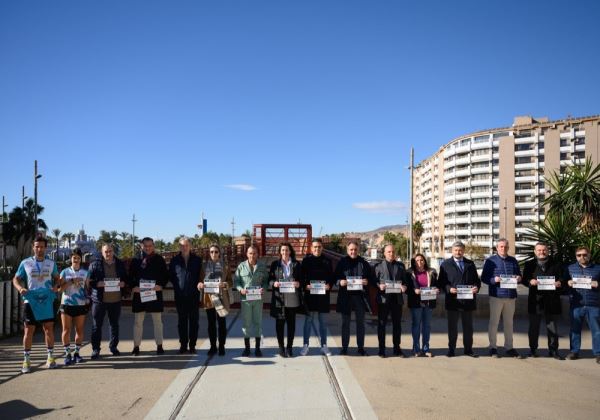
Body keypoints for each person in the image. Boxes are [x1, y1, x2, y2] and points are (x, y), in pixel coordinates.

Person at [12, 236, 60, 373]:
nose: (39, 249)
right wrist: (20, 288)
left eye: (42, 247)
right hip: (31, 301)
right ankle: (26, 360)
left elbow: (58, 279)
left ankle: (50, 358)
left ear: (46, 248)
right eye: (37, 246)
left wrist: (56, 286)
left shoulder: (51, 263)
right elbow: (15, 279)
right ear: (33, 247)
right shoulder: (25, 263)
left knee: (48, 329)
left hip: (47, 300)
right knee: (28, 330)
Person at [522, 242, 565, 359]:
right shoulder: (529, 264)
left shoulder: (556, 264)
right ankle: (533, 349)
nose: (542, 252)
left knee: (552, 327)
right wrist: (530, 282)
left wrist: (560, 282)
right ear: (535, 252)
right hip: (535, 301)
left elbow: (563, 278)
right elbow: (524, 279)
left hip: (552, 300)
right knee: (533, 327)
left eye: (544, 250)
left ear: (548, 251)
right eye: (539, 250)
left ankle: (553, 350)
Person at [438, 241, 481, 358]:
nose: (458, 252)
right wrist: (448, 289)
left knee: (468, 328)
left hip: (468, 301)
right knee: (452, 328)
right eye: (456, 250)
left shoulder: (470, 264)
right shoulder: (445, 265)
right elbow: (441, 282)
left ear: (464, 250)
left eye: (460, 250)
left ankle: (468, 349)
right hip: (453, 302)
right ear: (452, 251)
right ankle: (451, 349)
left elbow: (477, 281)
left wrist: (476, 287)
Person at [481, 238, 523, 358]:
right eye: (501, 246)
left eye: (505, 246)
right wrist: (494, 280)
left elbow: (519, 275)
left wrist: (519, 278)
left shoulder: (513, 260)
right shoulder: (490, 261)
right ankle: (493, 347)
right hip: (496, 296)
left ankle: (509, 347)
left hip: (510, 296)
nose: (503, 248)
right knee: (494, 322)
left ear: (508, 247)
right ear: (497, 248)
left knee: (509, 323)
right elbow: (484, 278)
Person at [129, 237, 169, 355]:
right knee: (138, 322)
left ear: (153, 246)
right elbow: (130, 276)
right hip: (139, 295)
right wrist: (133, 287)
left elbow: (165, 276)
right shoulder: (136, 260)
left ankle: (160, 345)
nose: (148, 248)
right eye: (145, 246)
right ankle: (136, 346)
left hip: (154, 294)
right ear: (141, 246)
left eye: (150, 246)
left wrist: (161, 286)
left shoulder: (159, 259)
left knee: (158, 322)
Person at [334, 241, 375, 356]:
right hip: (345, 297)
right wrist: (339, 282)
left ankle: (361, 348)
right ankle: (344, 348)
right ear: (347, 251)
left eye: (355, 250)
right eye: (351, 250)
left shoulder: (363, 263)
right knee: (345, 323)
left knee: (360, 323)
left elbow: (371, 278)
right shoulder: (342, 262)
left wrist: (367, 281)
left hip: (360, 297)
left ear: (358, 250)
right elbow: (335, 277)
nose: (353, 252)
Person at [88, 243, 128, 359]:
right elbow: (88, 281)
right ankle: (96, 349)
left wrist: (124, 283)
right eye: (106, 251)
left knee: (114, 325)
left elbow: (126, 278)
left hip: (115, 300)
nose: (108, 253)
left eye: (110, 251)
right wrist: (97, 283)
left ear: (113, 251)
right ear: (102, 252)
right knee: (96, 326)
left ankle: (113, 347)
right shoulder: (95, 264)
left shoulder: (120, 264)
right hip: (99, 301)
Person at [564, 246, 600, 363]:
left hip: (594, 304)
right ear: (576, 256)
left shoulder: (598, 268)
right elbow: (563, 284)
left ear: (589, 255)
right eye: (579, 255)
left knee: (597, 331)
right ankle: (574, 351)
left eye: (584, 255)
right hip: (576, 304)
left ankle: (598, 353)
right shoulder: (570, 268)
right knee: (575, 329)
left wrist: (598, 284)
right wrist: (567, 282)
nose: (582, 257)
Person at [300, 238, 335, 356]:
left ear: (322, 248)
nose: (317, 249)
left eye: (319, 247)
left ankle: (324, 345)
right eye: (315, 247)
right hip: (310, 295)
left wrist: (329, 285)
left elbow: (332, 277)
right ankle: (305, 345)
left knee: (323, 322)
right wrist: (305, 285)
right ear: (311, 248)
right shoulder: (306, 260)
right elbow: (301, 276)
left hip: (323, 296)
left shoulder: (327, 261)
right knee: (308, 321)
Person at [234, 245, 269, 357]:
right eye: (250, 253)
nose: (252, 255)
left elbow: (266, 281)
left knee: (258, 322)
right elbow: (237, 282)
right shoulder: (241, 266)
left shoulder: (262, 267)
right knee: (246, 323)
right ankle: (247, 348)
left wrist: (264, 288)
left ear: (257, 254)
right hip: (246, 300)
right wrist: (241, 290)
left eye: (254, 253)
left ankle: (257, 348)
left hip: (258, 299)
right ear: (247, 254)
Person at [169, 236, 202, 354]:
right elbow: (172, 276)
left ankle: (192, 346)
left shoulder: (197, 260)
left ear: (190, 246)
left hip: (194, 296)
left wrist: (199, 283)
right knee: (182, 322)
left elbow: (200, 276)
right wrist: (178, 287)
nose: (184, 247)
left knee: (194, 322)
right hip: (180, 296)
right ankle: (183, 345)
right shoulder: (174, 260)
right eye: (182, 245)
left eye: (186, 245)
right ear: (179, 246)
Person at [269, 242, 303, 357]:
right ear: (280, 252)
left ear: (290, 251)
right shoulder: (275, 264)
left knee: (291, 325)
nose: (285, 252)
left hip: (292, 299)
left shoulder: (296, 264)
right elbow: (270, 280)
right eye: (282, 250)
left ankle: (289, 347)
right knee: (279, 325)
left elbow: (302, 280)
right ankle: (281, 347)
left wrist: (299, 283)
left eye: (287, 250)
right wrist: (274, 283)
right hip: (280, 299)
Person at [374, 244, 407, 358]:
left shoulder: (401, 266)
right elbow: (374, 281)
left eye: (393, 252)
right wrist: (379, 285)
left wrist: (405, 287)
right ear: (384, 253)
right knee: (381, 324)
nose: (391, 254)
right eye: (388, 252)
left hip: (397, 300)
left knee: (397, 325)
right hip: (384, 300)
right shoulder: (378, 266)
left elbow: (406, 281)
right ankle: (381, 349)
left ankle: (397, 348)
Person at [199, 244, 231, 356]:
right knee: (211, 324)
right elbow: (200, 281)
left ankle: (221, 346)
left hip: (221, 298)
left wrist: (225, 284)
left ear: (219, 253)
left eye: (216, 252)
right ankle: (213, 346)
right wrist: (200, 284)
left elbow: (230, 282)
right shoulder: (203, 266)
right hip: (209, 298)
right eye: (211, 252)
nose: (214, 254)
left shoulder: (225, 266)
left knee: (222, 324)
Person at [58, 248, 89, 365]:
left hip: (80, 304)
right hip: (66, 304)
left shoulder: (85, 273)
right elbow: (60, 289)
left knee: (79, 330)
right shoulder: (64, 272)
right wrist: (71, 281)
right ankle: (67, 354)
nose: (76, 260)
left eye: (78, 258)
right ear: (70, 259)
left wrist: (88, 298)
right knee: (66, 330)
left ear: (81, 259)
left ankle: (76, 353)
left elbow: (88, 289)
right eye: (74, 258)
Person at [407, 253, 439, 357]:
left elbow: (436, 285)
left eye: (421, 260)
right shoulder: (410, 273)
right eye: (417, 260)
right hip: (416, 303)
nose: (419, 262)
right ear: (414, 262)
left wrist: (437, 289)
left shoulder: (431, 272)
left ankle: (426, 349)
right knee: (416, 326)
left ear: (424, 261)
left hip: (428, 302)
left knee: (427, 326)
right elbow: (406, 288)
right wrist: (413, 291)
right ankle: (416, 349)